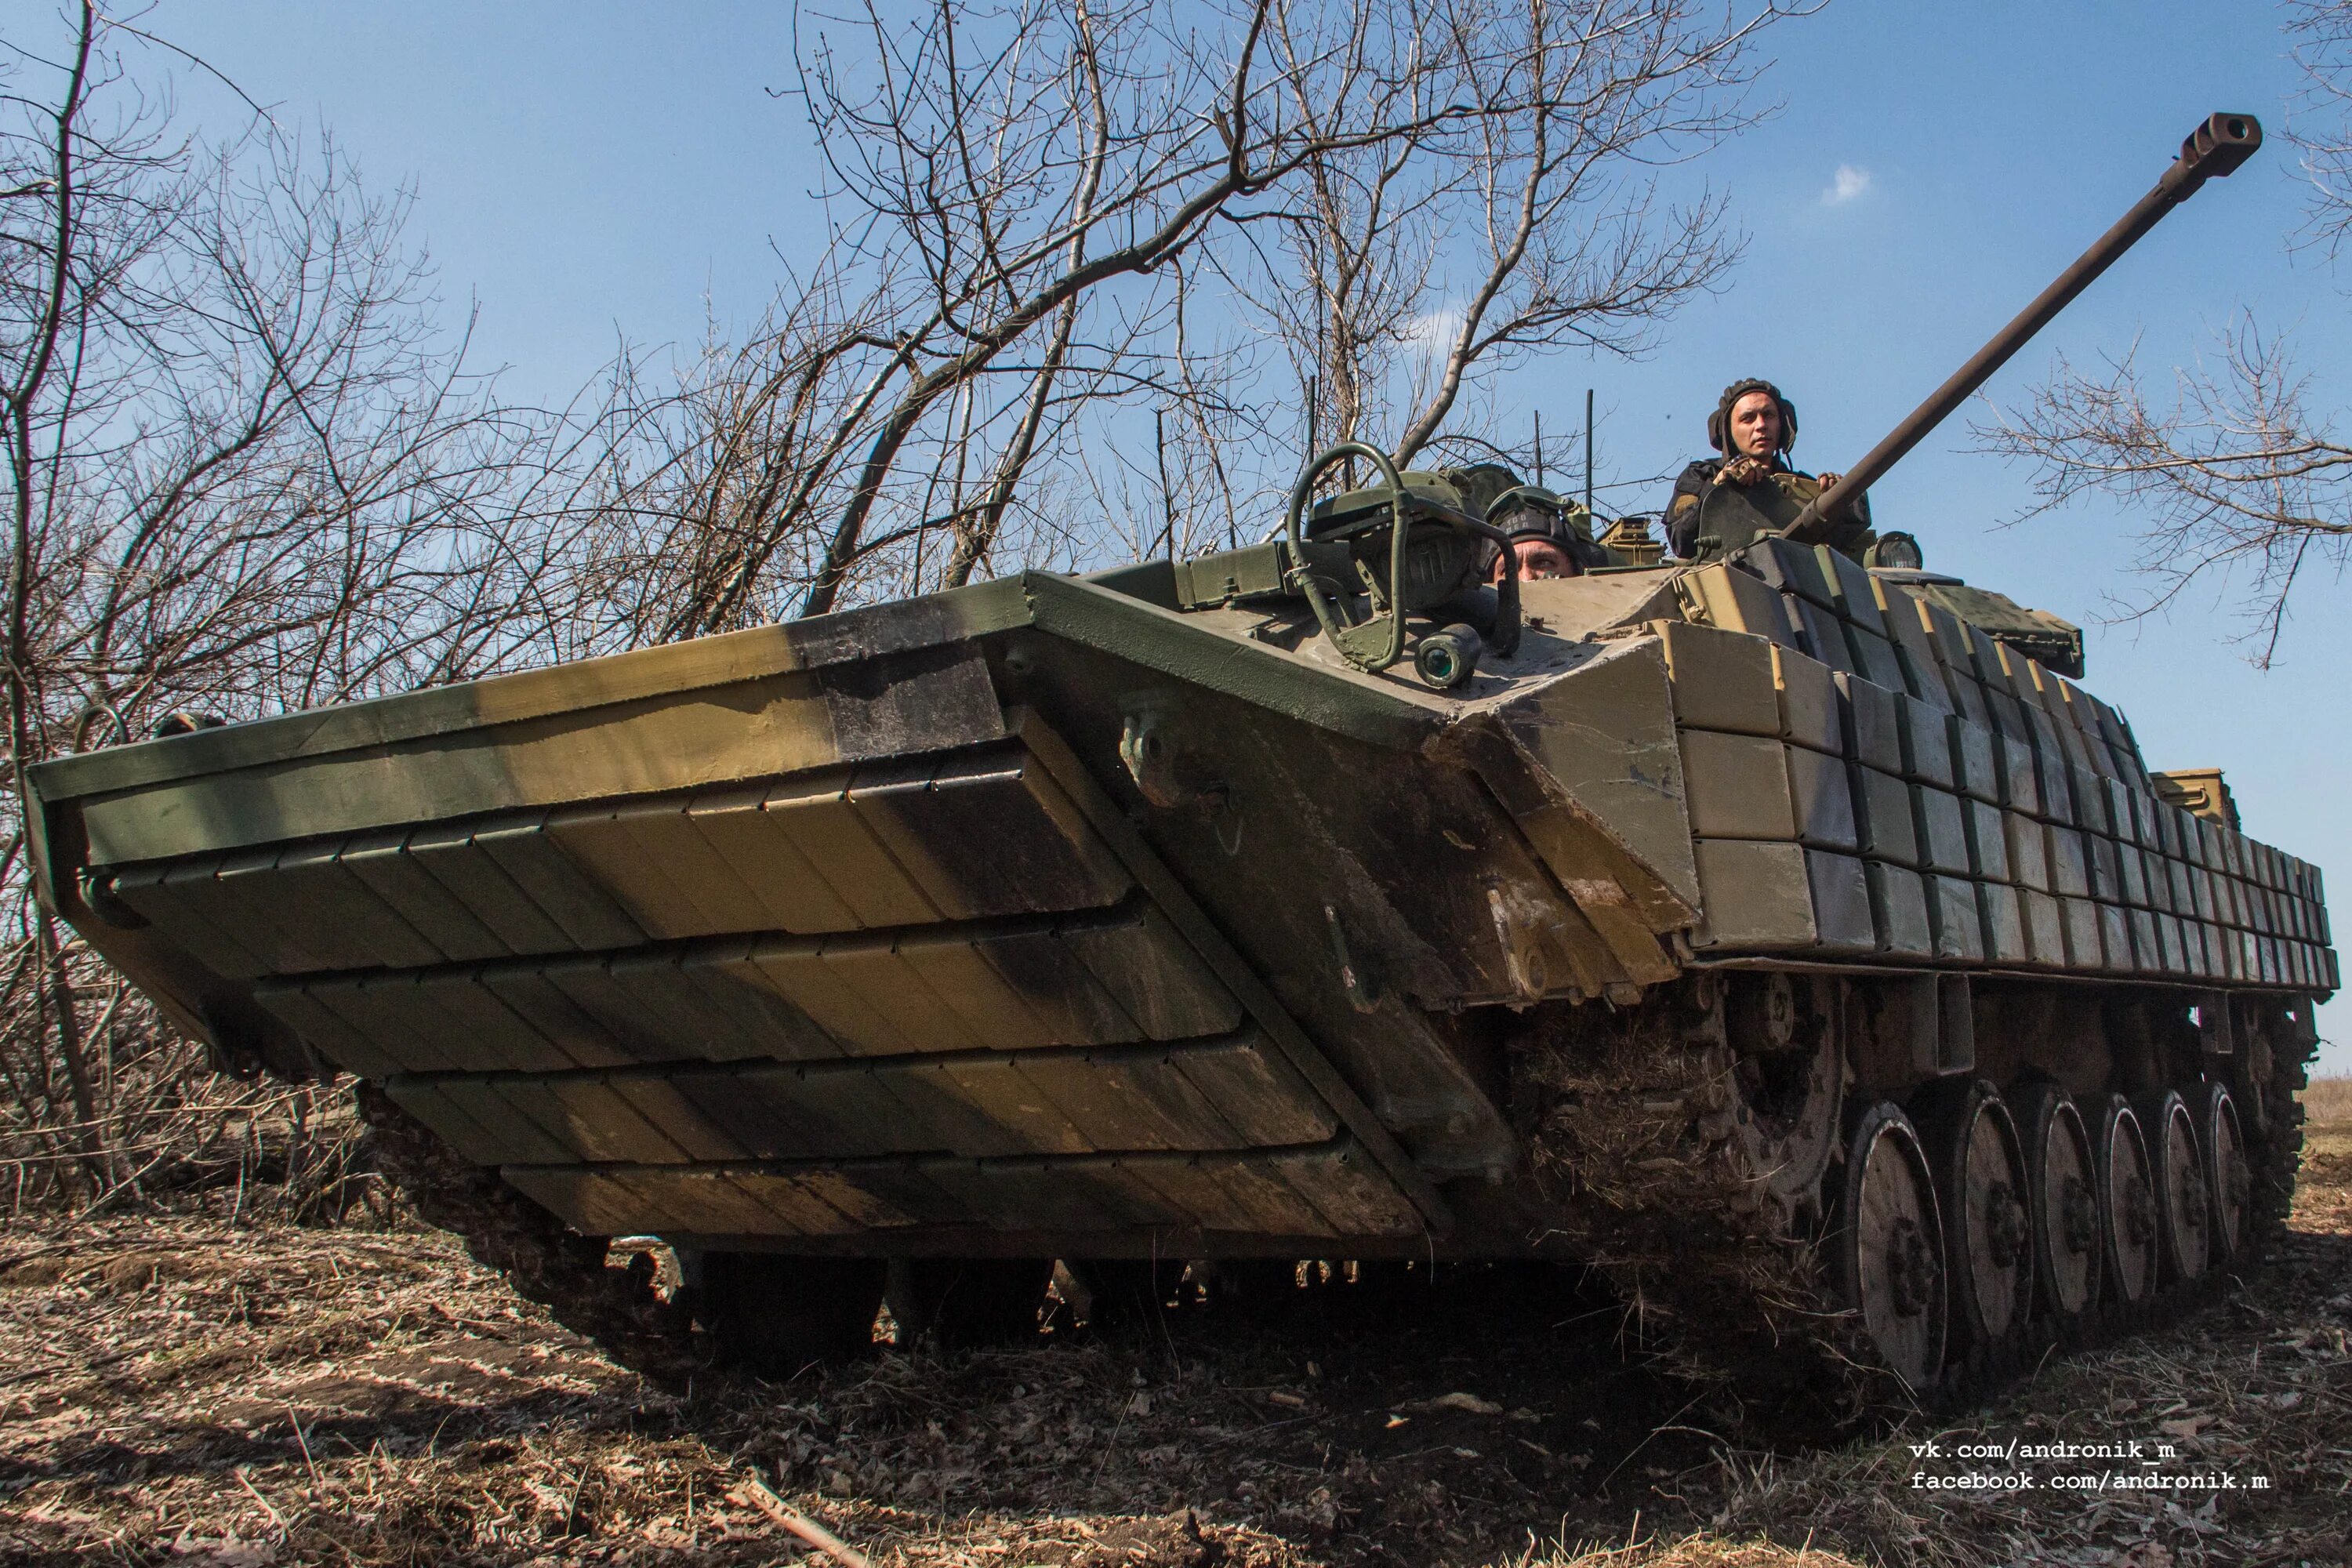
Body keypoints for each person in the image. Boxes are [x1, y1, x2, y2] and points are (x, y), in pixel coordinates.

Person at [1664, 378, 1875, 561]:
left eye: (1769, 415)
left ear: (1783, 425)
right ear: (1728, 430)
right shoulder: (1701, 477)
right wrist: (1719, 486)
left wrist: (1842, 497)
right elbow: (1682, 541)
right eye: (1748, 418)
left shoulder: (1800, 489)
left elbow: (1845, 541)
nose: (1761, 425)